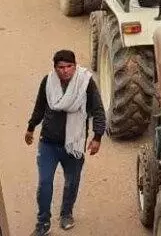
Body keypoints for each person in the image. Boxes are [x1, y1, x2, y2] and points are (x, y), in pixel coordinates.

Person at [26, 49, 105, 235]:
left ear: (75, 66)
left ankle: (66, 214)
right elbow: (39, 106)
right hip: (48, 144)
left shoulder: (86, 83)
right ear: (55, 68)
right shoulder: (48, 82)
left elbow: (98, 110)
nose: (65, 71)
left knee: (72, 182)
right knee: (45, 184)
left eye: (69, 66)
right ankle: (43, 223)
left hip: (73, 145)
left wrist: (97, 137)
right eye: (61, 67)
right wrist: (31, 127)